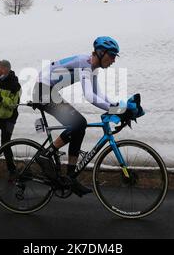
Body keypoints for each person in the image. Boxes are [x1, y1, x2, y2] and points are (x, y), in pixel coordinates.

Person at [32, 36, 124, 197]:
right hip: (43, 90)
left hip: (49, 90)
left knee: (79, 128)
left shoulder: (92, 66)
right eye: (112, 56)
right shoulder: (86, 63)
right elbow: (89, 95)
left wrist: (117, 106)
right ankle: (45, 155)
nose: (114, 60)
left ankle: (70, 177)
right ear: (101, 53)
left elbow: (98, 93)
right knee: (79, 123)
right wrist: (114, 109)